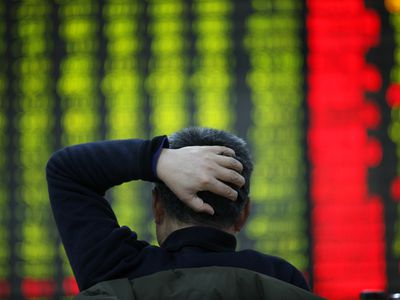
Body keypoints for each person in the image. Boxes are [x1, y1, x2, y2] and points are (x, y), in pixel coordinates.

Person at [46, 127, 319, 299]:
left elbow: (66, 170)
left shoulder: (117, 272)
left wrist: (156, 159)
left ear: (157, 206)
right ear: (243, 214)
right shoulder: (281, 279)